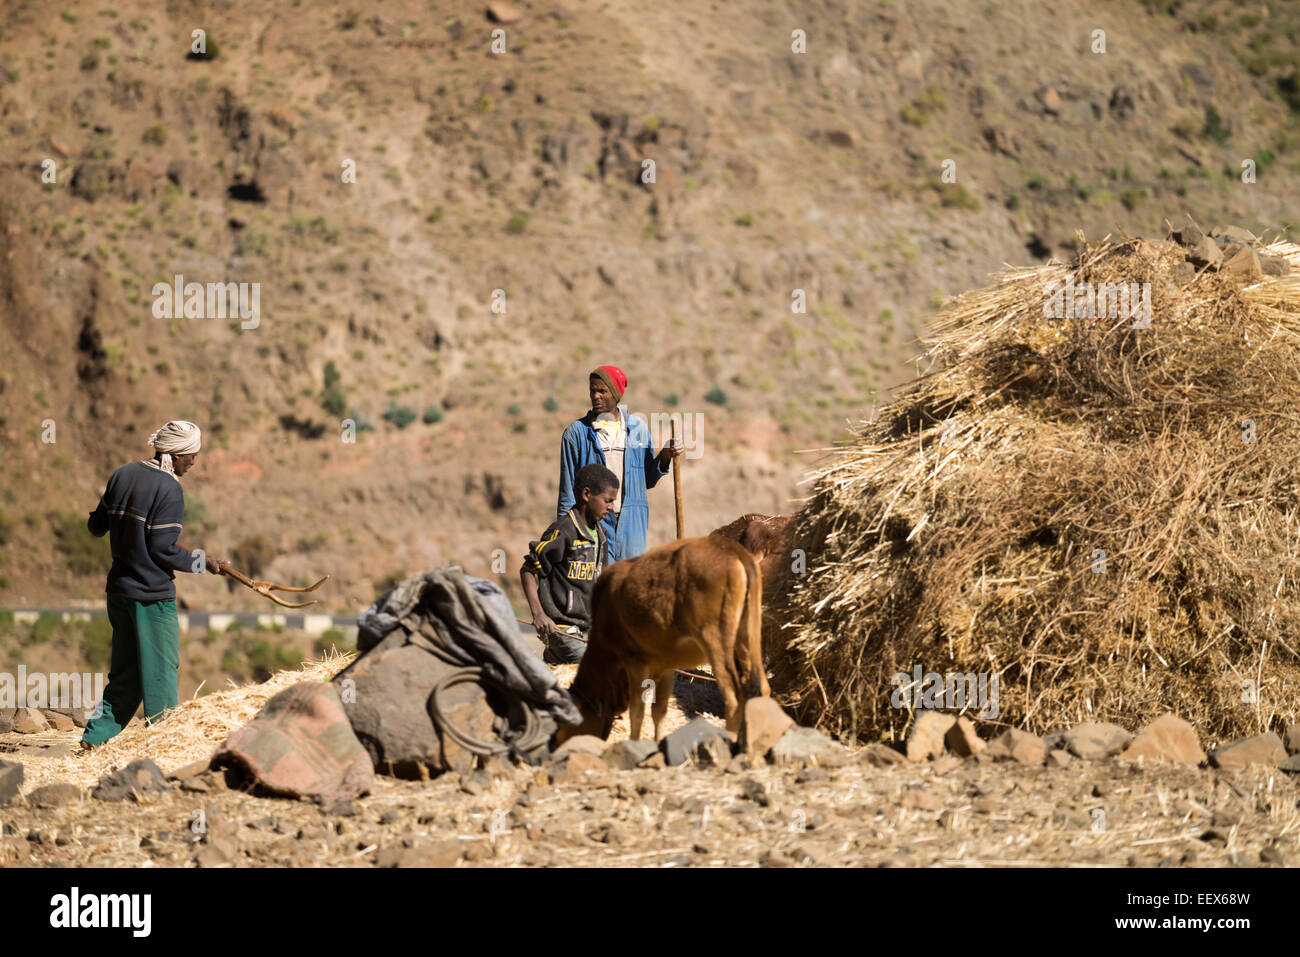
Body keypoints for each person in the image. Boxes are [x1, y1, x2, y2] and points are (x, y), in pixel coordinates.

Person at [80, 420, 223, 748]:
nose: (194, 463)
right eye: (191, 456)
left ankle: (94, 740)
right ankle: (163, 747)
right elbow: (162, 549)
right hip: (151, 597)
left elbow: (95, 527)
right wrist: (205, 563)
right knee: (160, 674)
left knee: (126, 675)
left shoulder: (122, 474)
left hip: (118, 592)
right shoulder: (169, 488)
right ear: (176, 455)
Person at [557, 365, 681, 563]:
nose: (595, 396)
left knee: (629, 585)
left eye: (602, 391)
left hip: (631, 524)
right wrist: (564, 534)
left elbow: (646, 480)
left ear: (616, 394)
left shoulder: (637, 429)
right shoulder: (576, 434)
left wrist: (665, 456)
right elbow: (567, 491)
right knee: (596, 586)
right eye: (592, 391)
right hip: (592, 524)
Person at [521, 463, 617, 664]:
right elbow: (528, 570)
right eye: (607, 500)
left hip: (587, 629)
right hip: (561, 628)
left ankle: (552, 669)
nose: (611, 507)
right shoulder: (563, 531)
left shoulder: (602, 535)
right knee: (595, 671)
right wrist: (538, 614)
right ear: (586, 494)